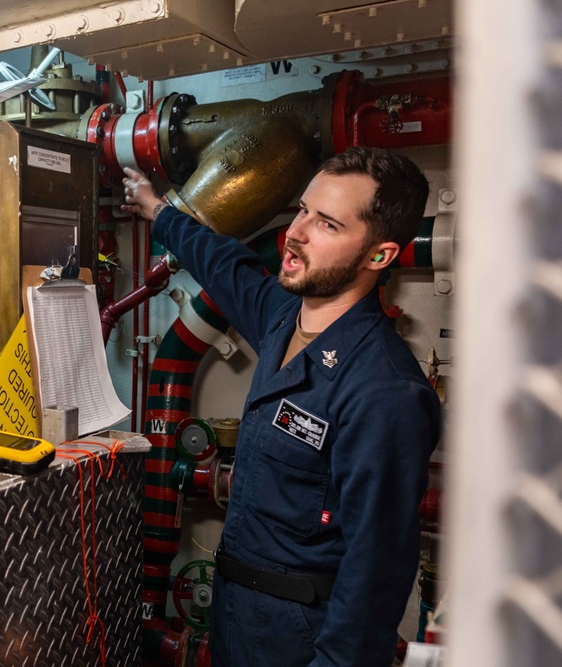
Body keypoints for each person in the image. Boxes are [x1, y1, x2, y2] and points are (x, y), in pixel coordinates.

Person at [122, 147, 441, 667]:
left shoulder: (385, 392)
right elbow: (221, 261)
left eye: (328, 224)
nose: (296, 233)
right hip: (233, 614)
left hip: (297, 638)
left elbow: (375, 576)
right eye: (303, 210)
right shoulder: (281, 316)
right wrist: (160, 212)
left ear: (378, 256)